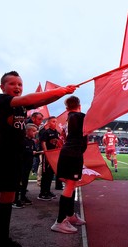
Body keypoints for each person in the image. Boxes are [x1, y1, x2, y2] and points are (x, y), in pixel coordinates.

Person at [0, 71, 76, 247]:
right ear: (3, 87)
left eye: (20, 84)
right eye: (12, 84)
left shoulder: (22, 106)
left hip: (13, 158)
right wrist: (61, 90)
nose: (17, 86)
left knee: (8, 199)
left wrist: (62, 93)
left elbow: (43, 99)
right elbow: (28, 99)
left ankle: (3, 242)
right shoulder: (0, 100)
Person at [51, 96, 87, 234]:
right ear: (80, 105)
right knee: (70, 186)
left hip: (69, 153)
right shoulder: (79, 116)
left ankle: (70, 215)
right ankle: (60, 221)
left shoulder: (69, 118)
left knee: (70, 186)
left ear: (66, 109)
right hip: (73, 154)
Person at [13, 124, 38, 208]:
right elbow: (21, 152)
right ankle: (15, 200)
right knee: (18, 182)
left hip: (28, 164)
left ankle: (23, 197)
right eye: (33, 131)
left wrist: (36, 152)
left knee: (25, 181)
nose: (35, 133)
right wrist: (31, 152)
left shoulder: (32, 141)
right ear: (27, 131)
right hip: (20, 164)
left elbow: (34, 150)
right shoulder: (22, 140)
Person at [37, 116, 61, 200]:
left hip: (54, 156)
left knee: (50, 174)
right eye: (53, 121)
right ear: (49, 123)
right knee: (45, 174)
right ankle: (42, 193)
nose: (55, 123)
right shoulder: (46, 132)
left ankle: (48, 191)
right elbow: (43, 143)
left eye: (56, 121)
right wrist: (47, 153)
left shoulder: (57, 133)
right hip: (47, 156)